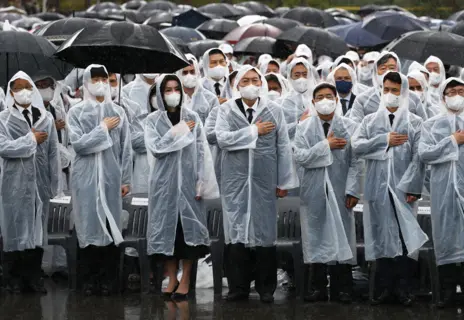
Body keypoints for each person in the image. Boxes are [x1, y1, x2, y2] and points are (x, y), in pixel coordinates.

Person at [215, 66, 298, 303]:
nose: (251, 84)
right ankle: (237, 288)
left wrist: (284, 181)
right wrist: (253, 131)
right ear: (237, 85)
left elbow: (282, 146)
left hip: (264, 181)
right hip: (235, 182)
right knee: (236, 233)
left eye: (255, 79)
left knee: (265, 233)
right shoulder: (226, 110)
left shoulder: (274, 111)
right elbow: (222, 139)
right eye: (245, 80)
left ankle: (266, 289)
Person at [351, 71, 428, 306]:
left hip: (404, 192)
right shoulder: (370, 121)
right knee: (381, 238)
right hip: (378, 190)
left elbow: (419, 158)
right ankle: (384, 289)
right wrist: (384, 140)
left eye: (395, 90)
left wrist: (414, 187)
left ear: (403, 92)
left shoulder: (415, 123)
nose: (390, 95)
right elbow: (356, 146)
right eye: (386, 90)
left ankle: (403, 290)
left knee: (404, 240)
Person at [145, 74, 218, 300]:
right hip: (163, 186)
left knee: (188, 235)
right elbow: (157, 147)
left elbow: (201, 150)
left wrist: (201, 181)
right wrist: (179, 131)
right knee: (168, 233)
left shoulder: (192, 117)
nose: (173, 93)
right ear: (160, 93)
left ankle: (185, 279)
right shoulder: (153, 121)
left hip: (188, 185)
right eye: (168, 90)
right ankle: (172, 278)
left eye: (176, 88)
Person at [67, 64, 132, 296]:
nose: (101, 83)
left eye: (104, 78)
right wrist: (102, 128)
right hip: (86, 179)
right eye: (95, 78)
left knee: (109, 226)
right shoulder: (75, 112)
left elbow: (126, 148)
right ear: (86, 82)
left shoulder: (119, 112)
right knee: (87, 227)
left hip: (111, 180)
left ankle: (109, 281)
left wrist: (126, 179)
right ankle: (88, 281)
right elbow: (79, 145)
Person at [295, 82, 362, 304]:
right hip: (314, 191)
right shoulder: (303, 128)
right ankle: (318, 287)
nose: (325, 101)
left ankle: (343, 288)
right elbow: (301, 157)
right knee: (317, 236)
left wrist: (353, 189)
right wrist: (326, 145)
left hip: (341, 189)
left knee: (341, 236)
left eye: (329, 96)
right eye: (320, 97)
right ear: (313, 102)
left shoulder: (350, 127)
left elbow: (356, 161)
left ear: (336, 99)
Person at [418, 78, 464, 309]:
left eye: (459, 91)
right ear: (443, 97)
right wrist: (452, 141)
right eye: (450, 91)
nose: (455, 95)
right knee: (445, 240)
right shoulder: (431, 125)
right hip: (443, 193)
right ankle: (445, 292)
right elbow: (424, 153)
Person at [0, 71, 61, 294]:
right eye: (18, 88)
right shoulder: (3, 119)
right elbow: (4, 148)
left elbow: (54, 152)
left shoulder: (46, 118)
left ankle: (33, 277)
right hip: (13, 184)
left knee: (37, 230)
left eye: (27, 87)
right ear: (11, 92)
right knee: (14, 228)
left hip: (40, 184)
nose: (23, 92)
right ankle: (13, 278)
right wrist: (30, 140)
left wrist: (55, 185)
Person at [349, 51, 427, 123]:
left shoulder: (413, 99)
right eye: (383, 68)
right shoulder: (363, 100)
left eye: (392, 68)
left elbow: (423, 128)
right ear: (376, 72)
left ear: (398, 70)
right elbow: (356, 130)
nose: (387, 72)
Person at [34, 75, 72, 190]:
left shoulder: (56, 110)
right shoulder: (31, 111)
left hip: (58, 163)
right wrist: (52, 127)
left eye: (46, 85)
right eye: (39, 86)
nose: (44, 89)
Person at [176, 54, 219, 124]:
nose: (189, 75)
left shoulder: (211, 99)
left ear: (198, 73)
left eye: (192, 72)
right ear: (179, 74)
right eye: (185, 72)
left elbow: (214, 126)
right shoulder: (174, 98)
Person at [281, 58, 318, 141]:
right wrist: (299, 123)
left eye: (305, 74)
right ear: (290, 76)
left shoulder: (318, 97)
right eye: (297, 75)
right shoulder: (283, 102)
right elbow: (280, 130)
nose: (301, 78)